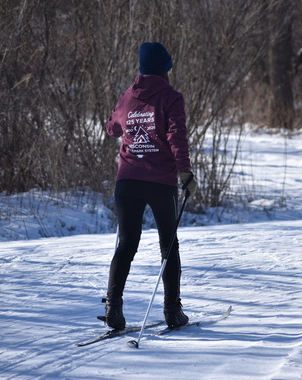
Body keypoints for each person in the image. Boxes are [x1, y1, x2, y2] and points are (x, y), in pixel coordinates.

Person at [104, 42, 197, 330]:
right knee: (168, 244)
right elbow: (176, 136)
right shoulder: (172, 98)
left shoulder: (127, 97)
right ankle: (172, 311)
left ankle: (113, 310)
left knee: (126, 244)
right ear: (165, 68)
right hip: (160, 182)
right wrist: (185, 174)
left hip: (128, 181)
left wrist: (125, 118)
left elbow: (111, 128)